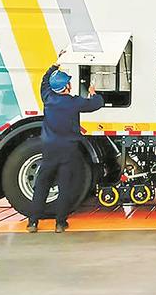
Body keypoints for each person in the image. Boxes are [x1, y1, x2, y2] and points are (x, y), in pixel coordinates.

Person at [27, 52, 104, 233]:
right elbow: (97, 104)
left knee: (42, 184)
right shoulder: (74, 102)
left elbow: (44, 81)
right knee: (65, 186)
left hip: (49, 149)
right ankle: (60, 223)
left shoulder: (47, 97)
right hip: (69, 150)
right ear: (66, 86)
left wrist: (55, 64)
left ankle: (33, 222)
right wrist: (94, 94)